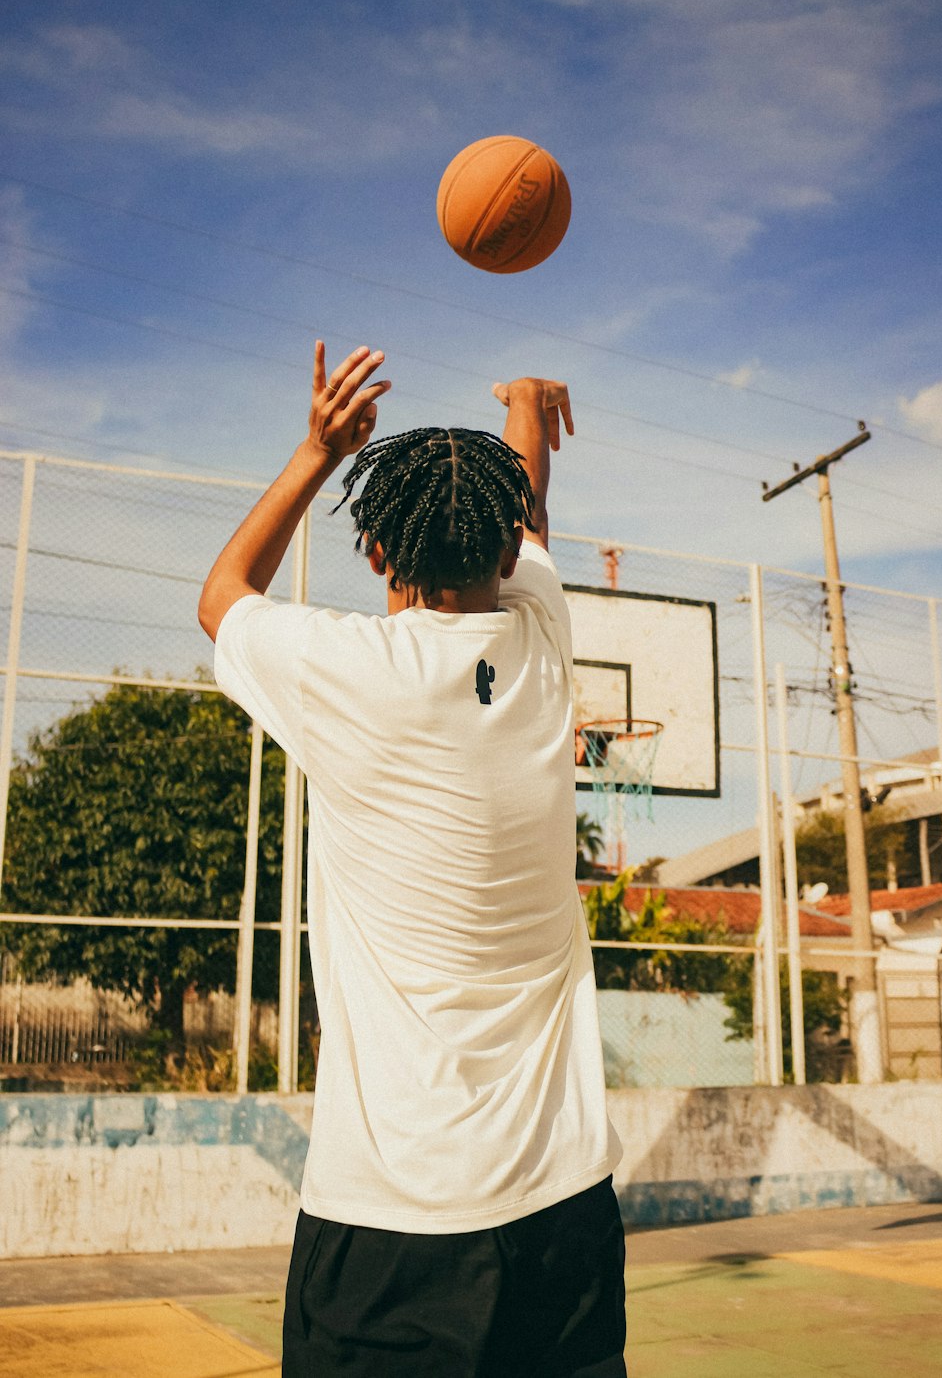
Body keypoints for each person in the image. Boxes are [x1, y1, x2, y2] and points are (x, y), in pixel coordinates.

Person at [199, 342, 626, 1377]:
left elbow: (223, 595)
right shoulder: (540, 642)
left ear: (378, 553)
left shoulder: (342, 670)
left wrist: (316, 450)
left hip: (390, 1221)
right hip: (563, 1216)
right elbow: (528, 517)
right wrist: (525, 403)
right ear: (509, 550)